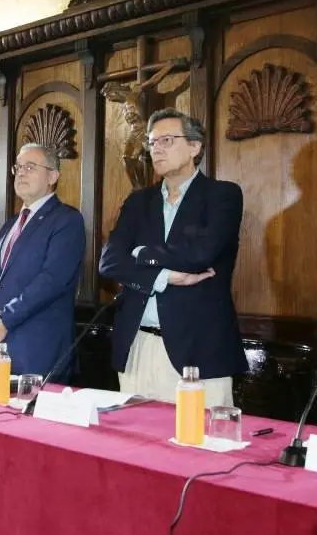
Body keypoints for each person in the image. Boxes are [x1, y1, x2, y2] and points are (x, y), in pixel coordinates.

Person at [99, 107, 246, 405]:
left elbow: (201, 253)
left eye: (167, 140)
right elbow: (110, 261)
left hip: (199, 351)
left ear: (195, 146)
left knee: (200, 445)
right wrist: (163, 277)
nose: (157, 149)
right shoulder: (138, 201)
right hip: (137, 346)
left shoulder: (222, 195)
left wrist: (142, 253)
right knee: (134, 446)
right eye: (153, 143)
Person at [0, 143, 86, 377]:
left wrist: (4, 320)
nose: (21, 172)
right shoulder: (10, 224)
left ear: (53, 176)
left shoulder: (66, 220)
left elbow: (51, 280)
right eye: (19, 167)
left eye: (31, 167)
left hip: (38, 351)